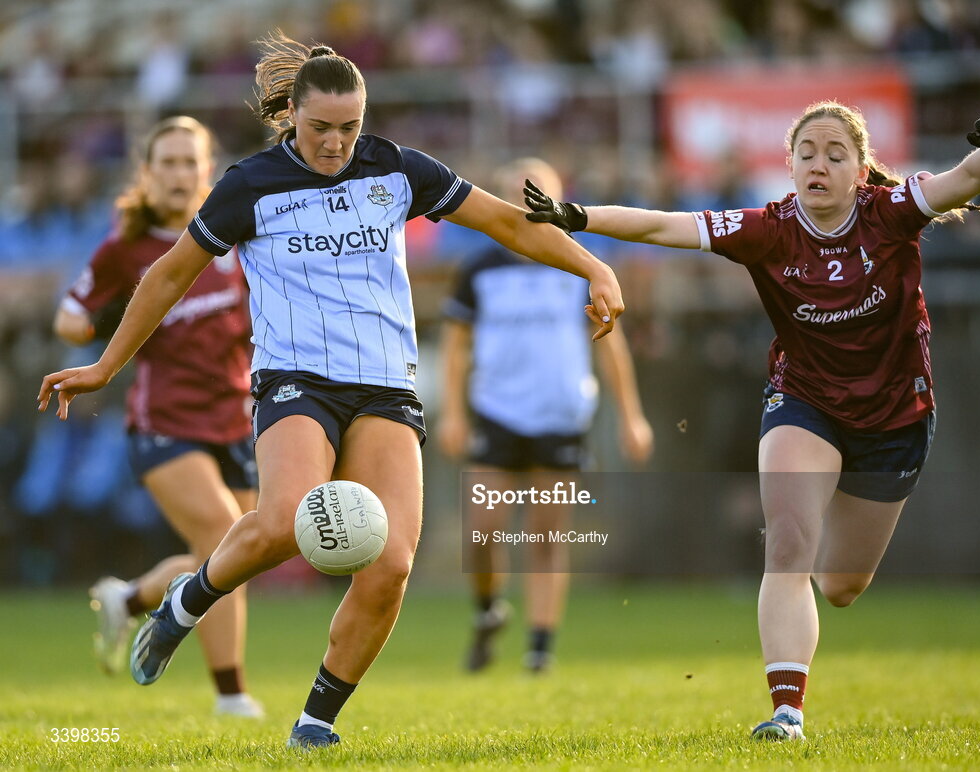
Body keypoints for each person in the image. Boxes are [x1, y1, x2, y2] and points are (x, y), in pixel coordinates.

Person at [37, 34, 623, 750]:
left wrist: (592, 266)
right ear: (291, 115)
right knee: (284, 520)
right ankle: (186, 603)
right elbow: (166, 275)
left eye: (350, 127)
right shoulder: (250, 184)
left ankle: (315, 722)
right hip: (296, 381)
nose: (337, 142)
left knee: (393, 566)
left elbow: (504, 220)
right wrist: (104, 365)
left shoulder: (397, 170)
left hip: (385, 389)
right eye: (320, 128)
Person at [521, 103, 980, 740]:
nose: (819, 165)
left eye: (835, 154)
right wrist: (580, 217)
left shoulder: (892, 210)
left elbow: (970, 177)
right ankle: (787, 713)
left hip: (895, 414)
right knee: (787, 547)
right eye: (807, 153)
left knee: (840, 583)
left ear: (861, 169)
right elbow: (666, 226)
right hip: (804, 401)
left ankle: (812, 582)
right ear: (790, 165)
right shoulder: (768, 229)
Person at [53, 116, 262, 718]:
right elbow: (70, 316)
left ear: (206, 171)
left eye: (188, 162)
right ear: (145, 175)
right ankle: (231, 698)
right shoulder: (126, 251)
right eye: (166, 162)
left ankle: (131, 597)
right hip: (163, 422)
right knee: (225, 539)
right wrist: (99, 320)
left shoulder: (233, 236)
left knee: (229, 555)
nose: (178, 173)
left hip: (234, 415)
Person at [437, 158, 653, 674]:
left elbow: (610, 347)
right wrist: (454, 413)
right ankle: (489, 609)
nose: (526, 201)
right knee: (483, 532)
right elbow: (456, 344)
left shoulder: (582, 264)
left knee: (546, 537)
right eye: (516, 191)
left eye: (538, 192)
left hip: (561, 413)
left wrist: (631, 416)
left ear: (558, 199)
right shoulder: (479, 268)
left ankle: (539, 648)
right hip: (496, 412)